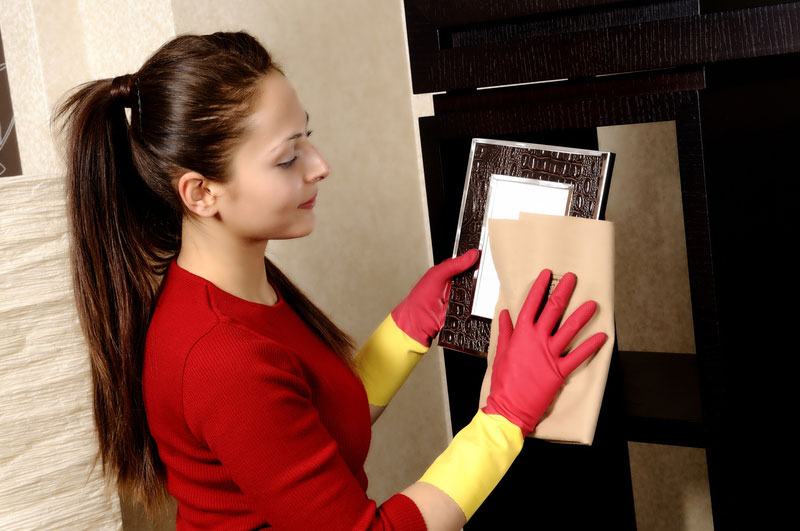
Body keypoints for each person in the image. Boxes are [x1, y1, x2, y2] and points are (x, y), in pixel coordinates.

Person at [51, 30, 609, 530]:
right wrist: (504, 418)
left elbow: (310, 423)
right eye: (287, 157)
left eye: (307, 139)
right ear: (201, 193)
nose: (319, 165)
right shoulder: (221, 356)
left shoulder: (239, 287)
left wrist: (407, 331)